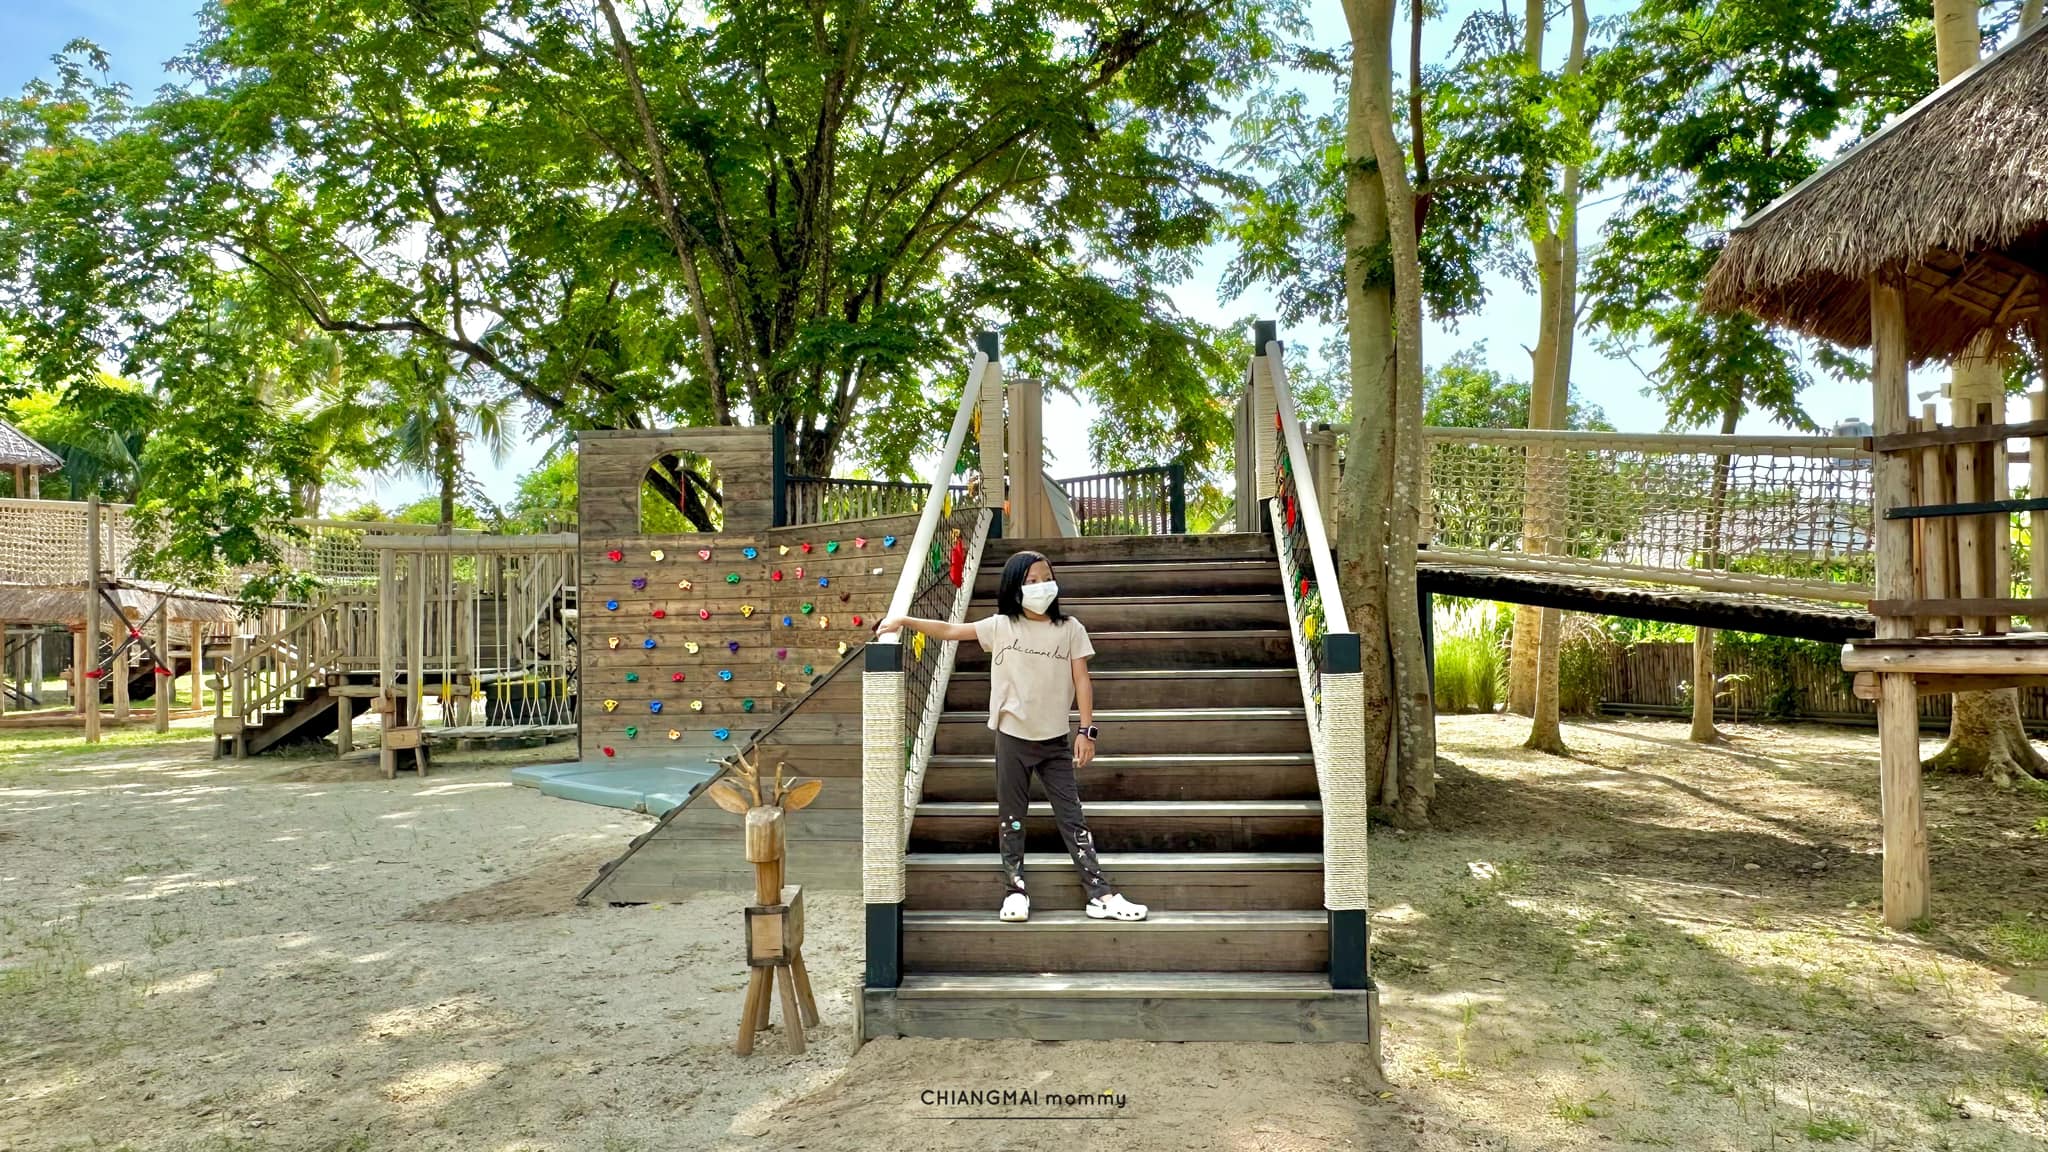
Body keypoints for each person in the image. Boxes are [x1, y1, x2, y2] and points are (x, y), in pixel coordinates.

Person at [877, 550, 1149, 923]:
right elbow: (951, 631)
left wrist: (1086, 731)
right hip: (1012, 740)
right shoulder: (1001, 626)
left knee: (1072, 818)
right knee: (1012, 819)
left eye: (1047, 579)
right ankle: (1015, 891)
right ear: (1015, 587)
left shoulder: (1070, 629)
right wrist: (905, 620)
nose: (1041, 586)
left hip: (1055, 743)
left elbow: (1082, 680)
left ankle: (1100, 895)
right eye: (1031, 581)